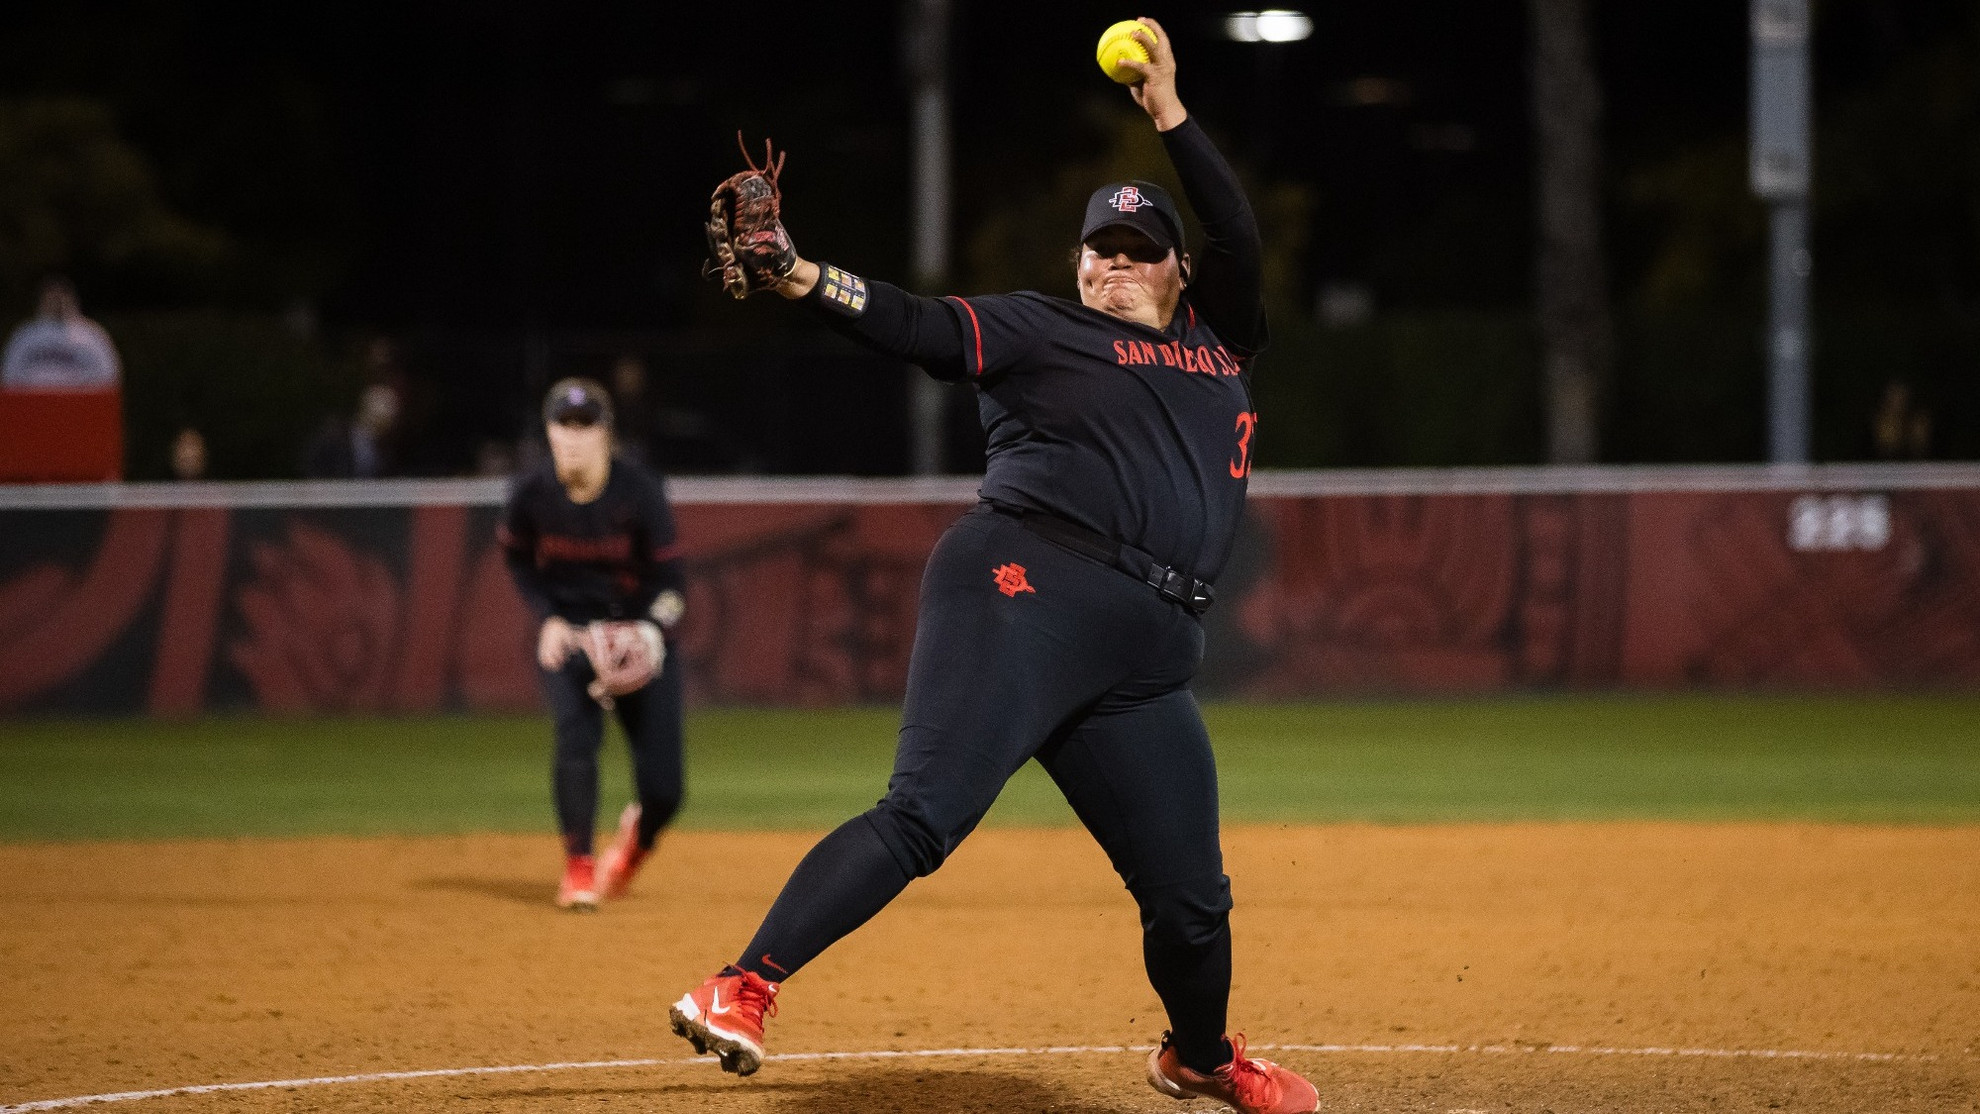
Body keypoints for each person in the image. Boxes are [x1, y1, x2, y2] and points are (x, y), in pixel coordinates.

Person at [670, 20, 1317, 1114]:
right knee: (925, 814)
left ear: (1180, 270)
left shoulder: (1222, 345)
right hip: (1026, 586)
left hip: (1150, 654)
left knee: (1192, 898)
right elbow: (912, 324)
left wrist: (1167, 107)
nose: (1114, 265)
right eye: (1099, 250)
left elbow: (1239, 228)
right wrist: (800, 276)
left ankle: (1201, 1057)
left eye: (1139, 250)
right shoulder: (1039, 330)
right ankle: (742, 985)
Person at [497, 378, 689, 910]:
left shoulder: (639, 491)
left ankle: (634, 844)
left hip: (638, 640)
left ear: (606, 434)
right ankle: (579, 865)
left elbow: (674, 585)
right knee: (575, 741)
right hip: (575, 637)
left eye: (586, 426)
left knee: (666, 790)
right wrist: (548, 618)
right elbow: (516, 558)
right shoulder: (532, 494)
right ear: (549, 433)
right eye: (565, 425)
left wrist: (653, 631)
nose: (575, 437)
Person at [1, 277, 121, 390]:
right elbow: (9, 375)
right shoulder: (26, 335)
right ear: (42, 299)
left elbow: (109, 376)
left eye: (62, 294)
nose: (57, 300)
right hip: (34, 402)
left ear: (72, 299)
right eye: (52, 295)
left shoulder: (92, 335)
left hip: (79, 402)